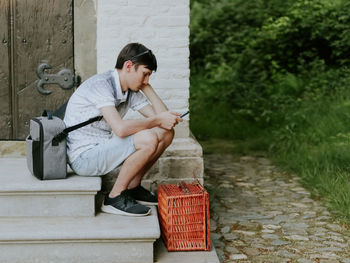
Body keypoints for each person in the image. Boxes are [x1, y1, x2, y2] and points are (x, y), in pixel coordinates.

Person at [63, 43, 182, 216]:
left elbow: (165, 121)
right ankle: (114, 197)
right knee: (147, 138)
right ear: (128, 66)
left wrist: (147, 88)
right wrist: (157, 120)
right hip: (83, 158)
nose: (146, 80)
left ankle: (133, 187)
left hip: (102, 149)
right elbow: (120, 129)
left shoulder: (129, 91)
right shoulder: (102, 85)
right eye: (145, 74)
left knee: (166, 133)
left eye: (149, 76)